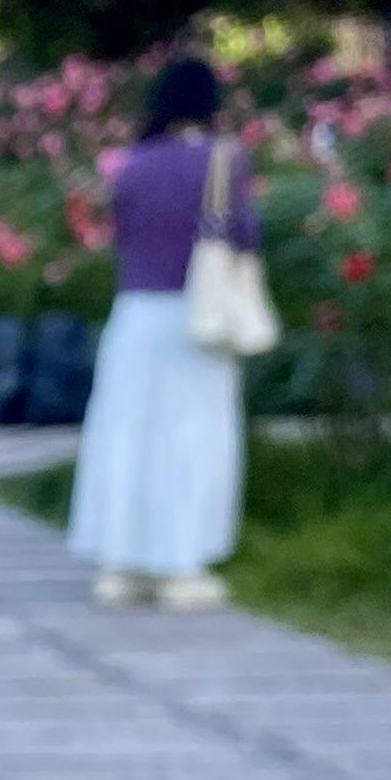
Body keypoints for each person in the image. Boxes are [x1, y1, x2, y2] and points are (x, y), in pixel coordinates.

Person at [70, 56, 257, 610]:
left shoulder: (130, 165)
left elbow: (121, 237)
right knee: (192, 436)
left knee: (127, 437)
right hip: (197, 315)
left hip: (134, 316)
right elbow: (244, 234)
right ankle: (181, 567)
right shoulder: (224, 160)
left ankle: (122, 566)